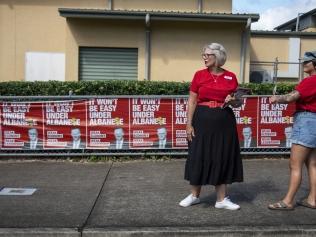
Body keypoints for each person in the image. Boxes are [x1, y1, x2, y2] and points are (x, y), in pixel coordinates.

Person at [179, 43, 243, 210]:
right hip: (201, 120)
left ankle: (221, 200)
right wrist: (188, 124)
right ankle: (194, 196)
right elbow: (192, 100)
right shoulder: (199, 75)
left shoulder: (231, 76)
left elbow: (238, 103)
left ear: (218, 56)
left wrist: (233, 100)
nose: (204, 57)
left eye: (208, 54)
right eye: (204, 55)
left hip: (224, 122)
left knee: (221, 156)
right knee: (198, 155)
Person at [268, 51, 316, 210]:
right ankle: (312, 200)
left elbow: (291, 97)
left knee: (295, 165)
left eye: (307, 62)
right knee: (312, 164)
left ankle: (288, 201)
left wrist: (277, 98)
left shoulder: (310, 81)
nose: (304, 64)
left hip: (306, 121)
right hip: (313, 122)